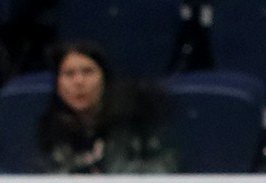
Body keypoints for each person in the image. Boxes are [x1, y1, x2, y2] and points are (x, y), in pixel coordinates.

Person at [33, 41, 172, 174]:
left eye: (88, 72)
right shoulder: (49, 132)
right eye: (69, 74)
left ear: (104, 79)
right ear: (58, 85)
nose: (79, 82)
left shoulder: (136, 125)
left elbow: (161, 169)